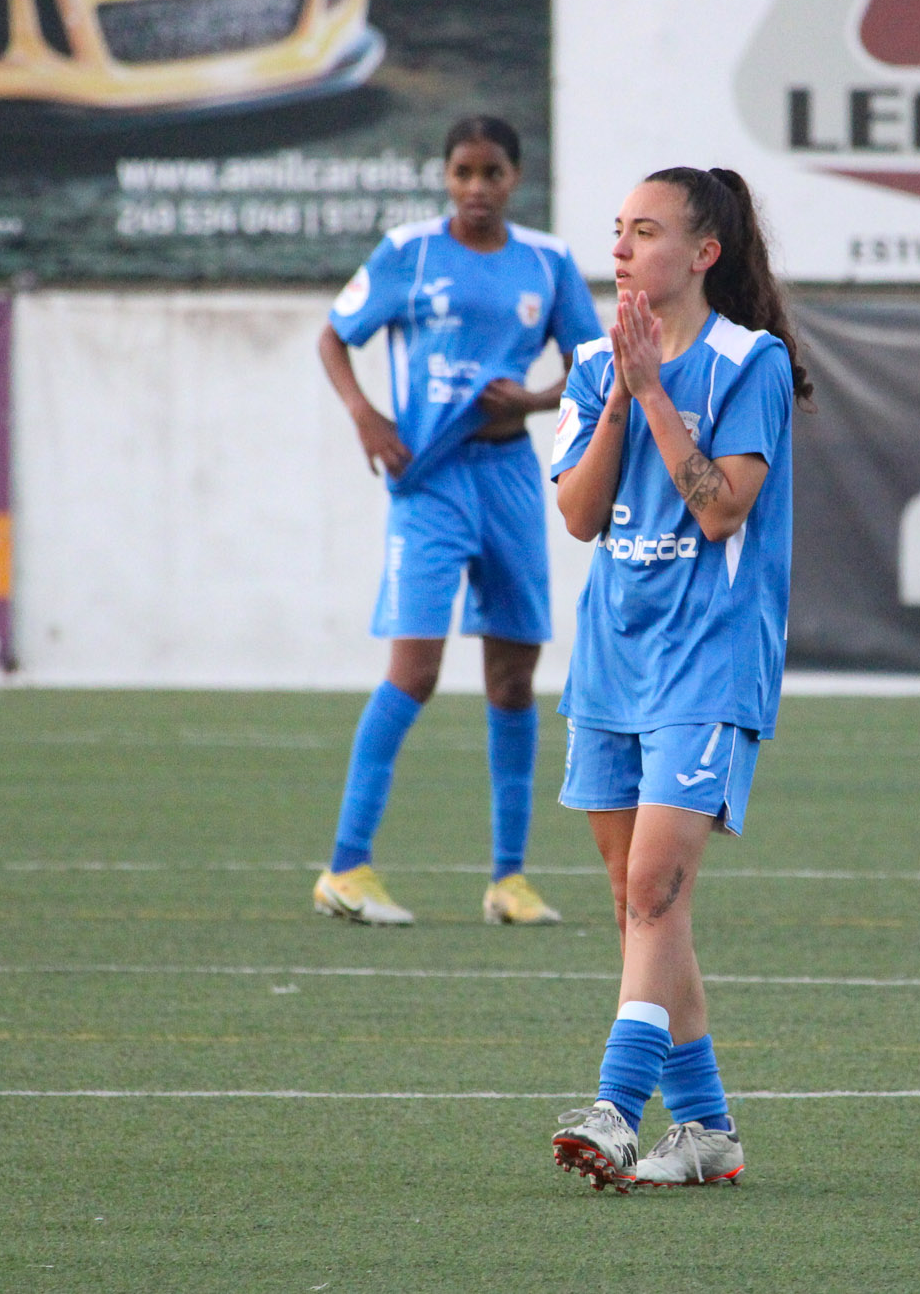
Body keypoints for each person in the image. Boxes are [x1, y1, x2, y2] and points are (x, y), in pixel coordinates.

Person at [545, 166, 807, 1190]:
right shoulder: (589, 360)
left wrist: (654, 388)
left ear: (701, 253)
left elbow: (717, 511)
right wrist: (618, 385)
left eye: (643, 231)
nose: (618, 248)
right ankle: (704, 1129)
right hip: (613, 653)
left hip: (708, 658)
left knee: (653, 890)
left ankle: (613, 1108)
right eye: (614, 230)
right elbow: (576, 515)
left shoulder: (752, 362)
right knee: (638, 904)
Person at [312, 116, 604, 927]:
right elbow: (335, 337)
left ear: (516, 178)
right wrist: (366, 416)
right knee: (416, 671)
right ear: (446, 176)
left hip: (510, 477)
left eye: (493, 173)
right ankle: (346, 865)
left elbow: (594, 361)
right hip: (429, 483)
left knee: (513, 677)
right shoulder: (409, 252)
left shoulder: (545, 262)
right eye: (463, 172)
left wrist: (539, 400)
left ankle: (508, 880)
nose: (477, 188)